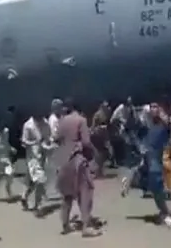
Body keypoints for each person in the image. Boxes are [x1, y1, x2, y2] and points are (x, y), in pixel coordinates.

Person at [55, 98, 103, 237]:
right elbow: (86, 142)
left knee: (67, 194)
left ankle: (65, 225)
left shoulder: (61, 121)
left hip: (63, 158)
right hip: (77, 159)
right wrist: (93, 152)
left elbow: (57, 139)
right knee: (85, 192)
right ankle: (86, 227)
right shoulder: (81, 120)